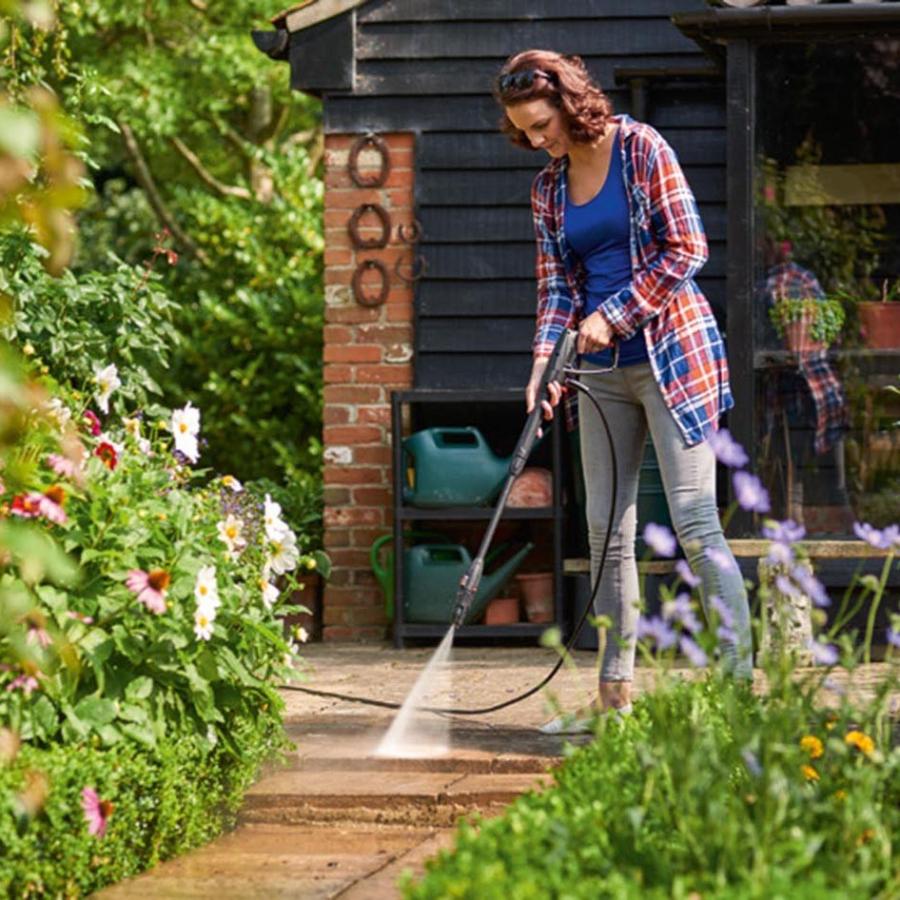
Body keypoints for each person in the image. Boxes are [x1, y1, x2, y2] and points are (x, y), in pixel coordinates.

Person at [494, 50, 753, 733]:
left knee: (696, 526)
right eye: (524, 131)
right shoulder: (548, 189)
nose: (537, 140)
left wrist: (614, 315)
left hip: (672, 356)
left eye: (542, 124)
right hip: (598, 372)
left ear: (571, 102)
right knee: (607, 534)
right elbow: (555, 289)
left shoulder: (641, 148)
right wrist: (543, 365)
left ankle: (735, 695)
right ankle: (615, 703)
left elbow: (688, 248)